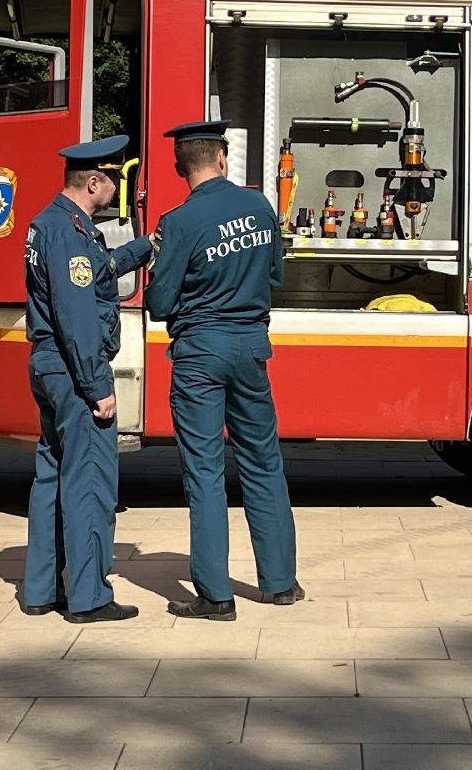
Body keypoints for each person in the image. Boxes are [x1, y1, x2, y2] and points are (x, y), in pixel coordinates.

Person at [146, 119, 301, 620]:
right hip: (252, 347)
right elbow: (276, 273)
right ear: (221, 158)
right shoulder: (259, 205)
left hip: (200, 354)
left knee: (206, 473)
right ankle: (280, 583)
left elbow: (161, 302)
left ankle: (215, 595)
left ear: (179, 167)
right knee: (263, 463)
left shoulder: (178, 222)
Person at [22, 134, 151, 623]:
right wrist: (99, 388)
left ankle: (40, 590)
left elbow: (98, 274)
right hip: (75, 371)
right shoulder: (71, 234)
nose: (117, 188)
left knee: (51, 477)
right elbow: (77, 316)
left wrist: (145, 248)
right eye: (114, 180)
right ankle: (89, 597)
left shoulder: (50, 224)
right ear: (93, 181)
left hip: (49, 366)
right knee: (91, 481)